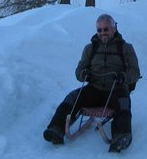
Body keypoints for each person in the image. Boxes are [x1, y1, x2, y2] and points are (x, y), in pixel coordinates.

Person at [43, 14, 140, 153]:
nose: (102, 33)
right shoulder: (90, 48)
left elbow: (135, 72)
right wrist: (84, 74)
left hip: (116, 89)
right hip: (95, 88)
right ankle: (56, 129)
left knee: (123, 104)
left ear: (113, 28)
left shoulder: (126, 48)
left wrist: (123, 77)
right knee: (72, 98)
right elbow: (79, 70)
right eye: (99, 30)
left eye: (106, 29)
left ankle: (121, 136)